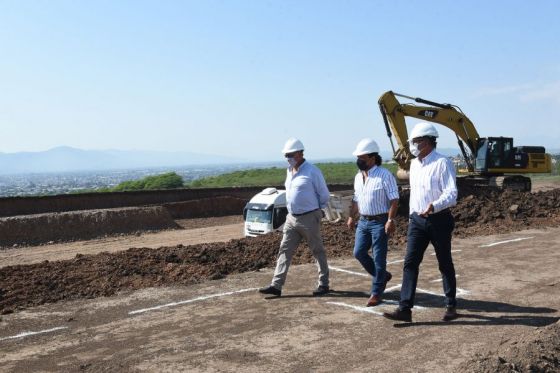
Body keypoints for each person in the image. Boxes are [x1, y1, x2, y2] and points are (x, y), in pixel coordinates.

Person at [383, 122, 459, 323]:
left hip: (438, 219)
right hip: (417, 221)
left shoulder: (443, 163)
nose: (413, 146)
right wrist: (411, 217)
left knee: (444, 262)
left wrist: (434, 205)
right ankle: (405, 309)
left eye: (416, 142)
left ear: (427, 142)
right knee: (410, 263)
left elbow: (452, 193)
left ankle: (451, 305)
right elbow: (416, 194)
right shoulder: (415, 165)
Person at [259, 138, 331, 297]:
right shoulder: (289, 171)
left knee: (317, 250)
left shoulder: (313, 171)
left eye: (290, 155)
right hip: (291, 218)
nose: (287, 158)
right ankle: (276, 285)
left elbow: (324, 194)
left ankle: (324, 284)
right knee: (284, 250)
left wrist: (319, 212)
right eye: (286, 155)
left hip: (309, 217)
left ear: (299, 153)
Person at [347, 138, 399, 307]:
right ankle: (382, 276)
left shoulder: (385, 175)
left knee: (379, 257)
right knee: (359, 252)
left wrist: (390, 220)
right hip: (363, 221)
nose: (359, 161)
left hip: (380, 221)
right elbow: (356, 198)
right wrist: (351, 216)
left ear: (372, 158)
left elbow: (394, 199)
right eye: (358, 157)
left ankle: (376, 292)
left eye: (362, 158)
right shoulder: (358, 177)